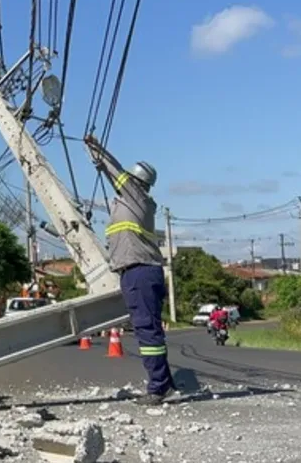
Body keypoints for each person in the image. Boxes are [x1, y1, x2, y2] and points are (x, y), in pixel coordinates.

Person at [84, 134, 176, 405]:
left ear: (138, 183)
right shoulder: (131, 205)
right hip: (136, 272)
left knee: (147, 331)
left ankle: (157, 388)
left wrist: (97, 150)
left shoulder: (138, 198)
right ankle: (164, 382)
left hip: (140, 272)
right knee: (149, 331)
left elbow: (117, 173)